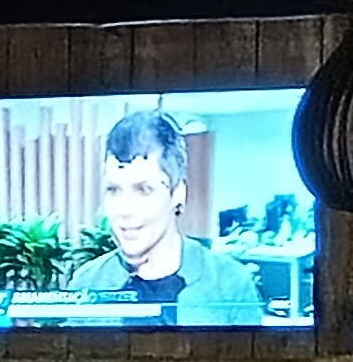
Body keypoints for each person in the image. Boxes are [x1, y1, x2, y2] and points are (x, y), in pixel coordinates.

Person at [66, 107, 276, 322]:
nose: (124, 210)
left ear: (177, 193)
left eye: (144, 189)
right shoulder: (86, 283)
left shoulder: (229, 283)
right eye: (113, 190)